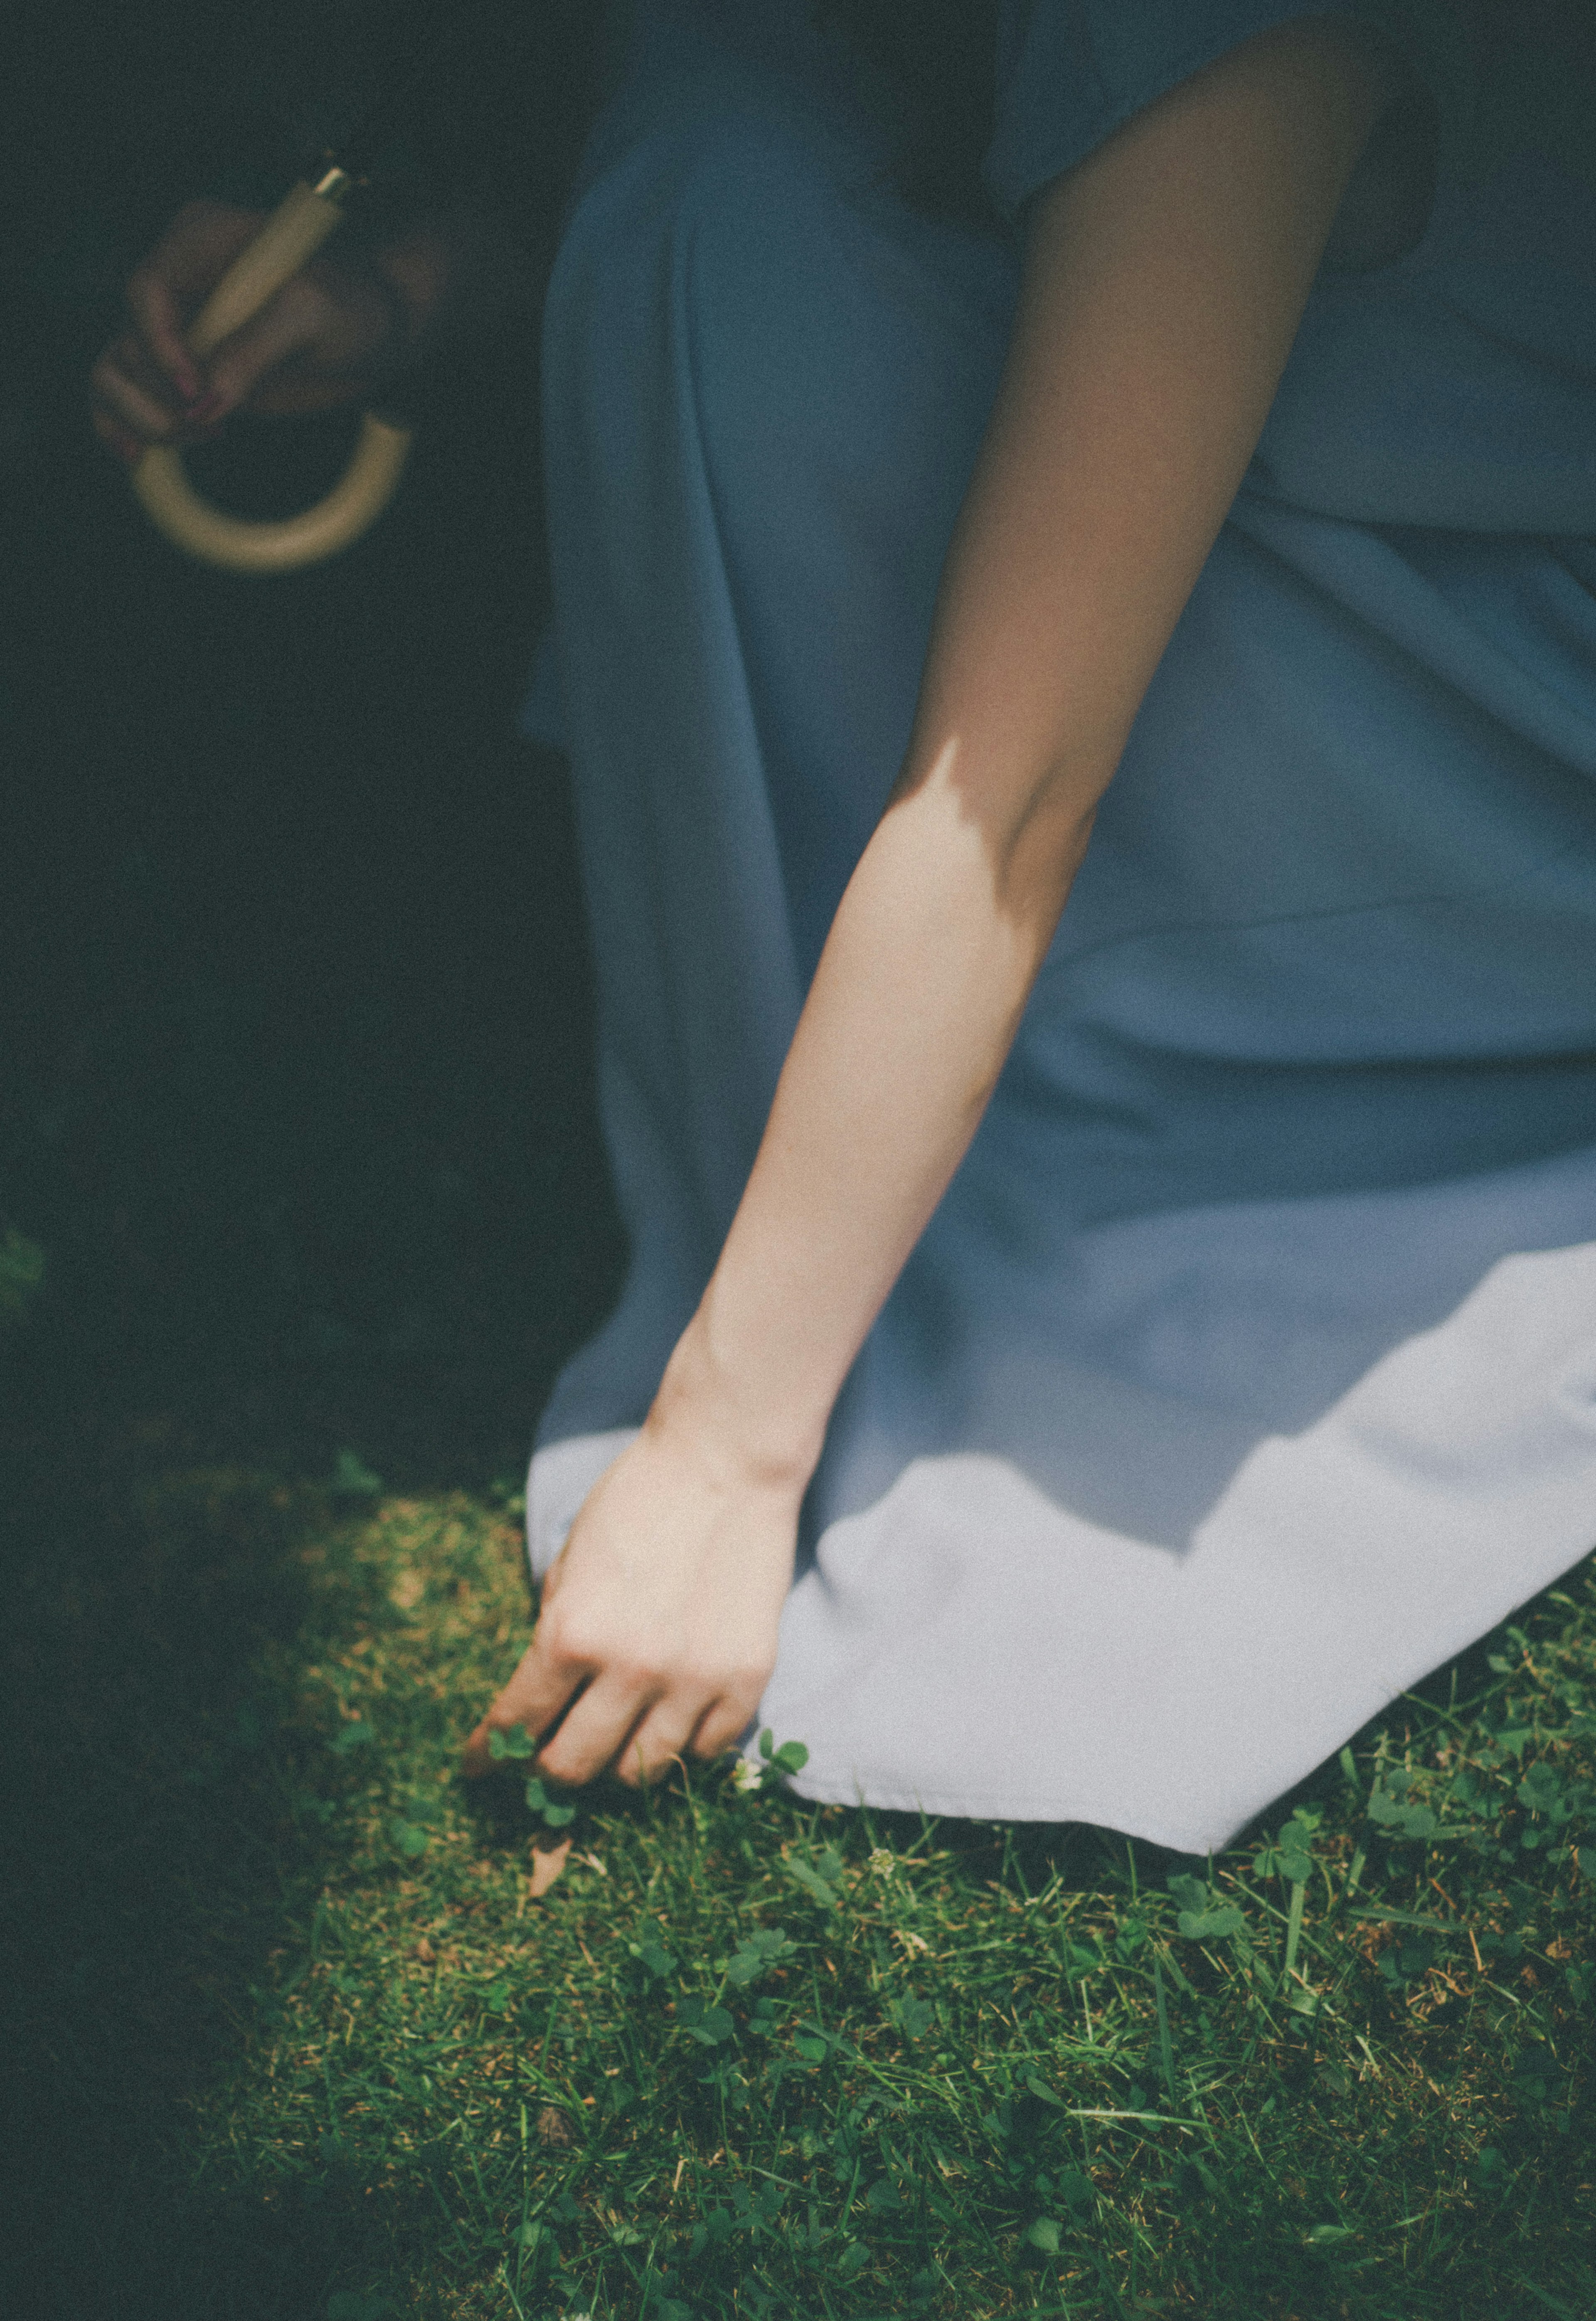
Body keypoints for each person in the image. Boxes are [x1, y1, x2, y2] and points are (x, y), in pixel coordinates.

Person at [95, 1, 1596, 1853]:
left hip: (1477, 740)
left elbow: (1018, 787)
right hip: (1176, 571)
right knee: (718, 141)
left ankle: (964, 1164)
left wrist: (731, 1446)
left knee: (742, 194)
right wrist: (412, 287)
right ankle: (876, 1129)